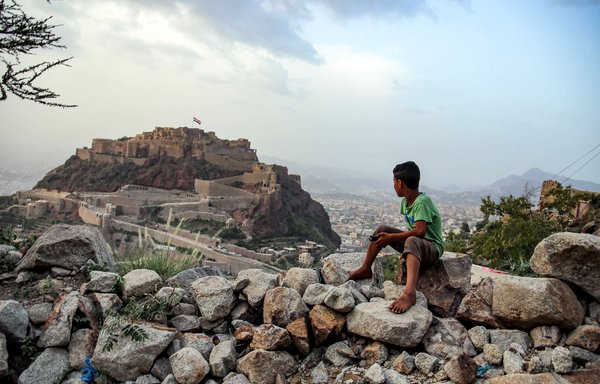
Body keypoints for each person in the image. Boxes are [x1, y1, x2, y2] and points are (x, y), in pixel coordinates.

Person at [348, 161, 444, 314]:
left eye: (393, 181)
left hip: (432, 248)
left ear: (400, 183)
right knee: (382, 229)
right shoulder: (406, 201)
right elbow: (411, 232)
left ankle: (409, 293)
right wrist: (405, 248)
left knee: (411, 240)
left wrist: (394, 238)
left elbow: (420, 232)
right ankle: (365, 269)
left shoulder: (422, 202)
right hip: (417, 246)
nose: (393, 185)